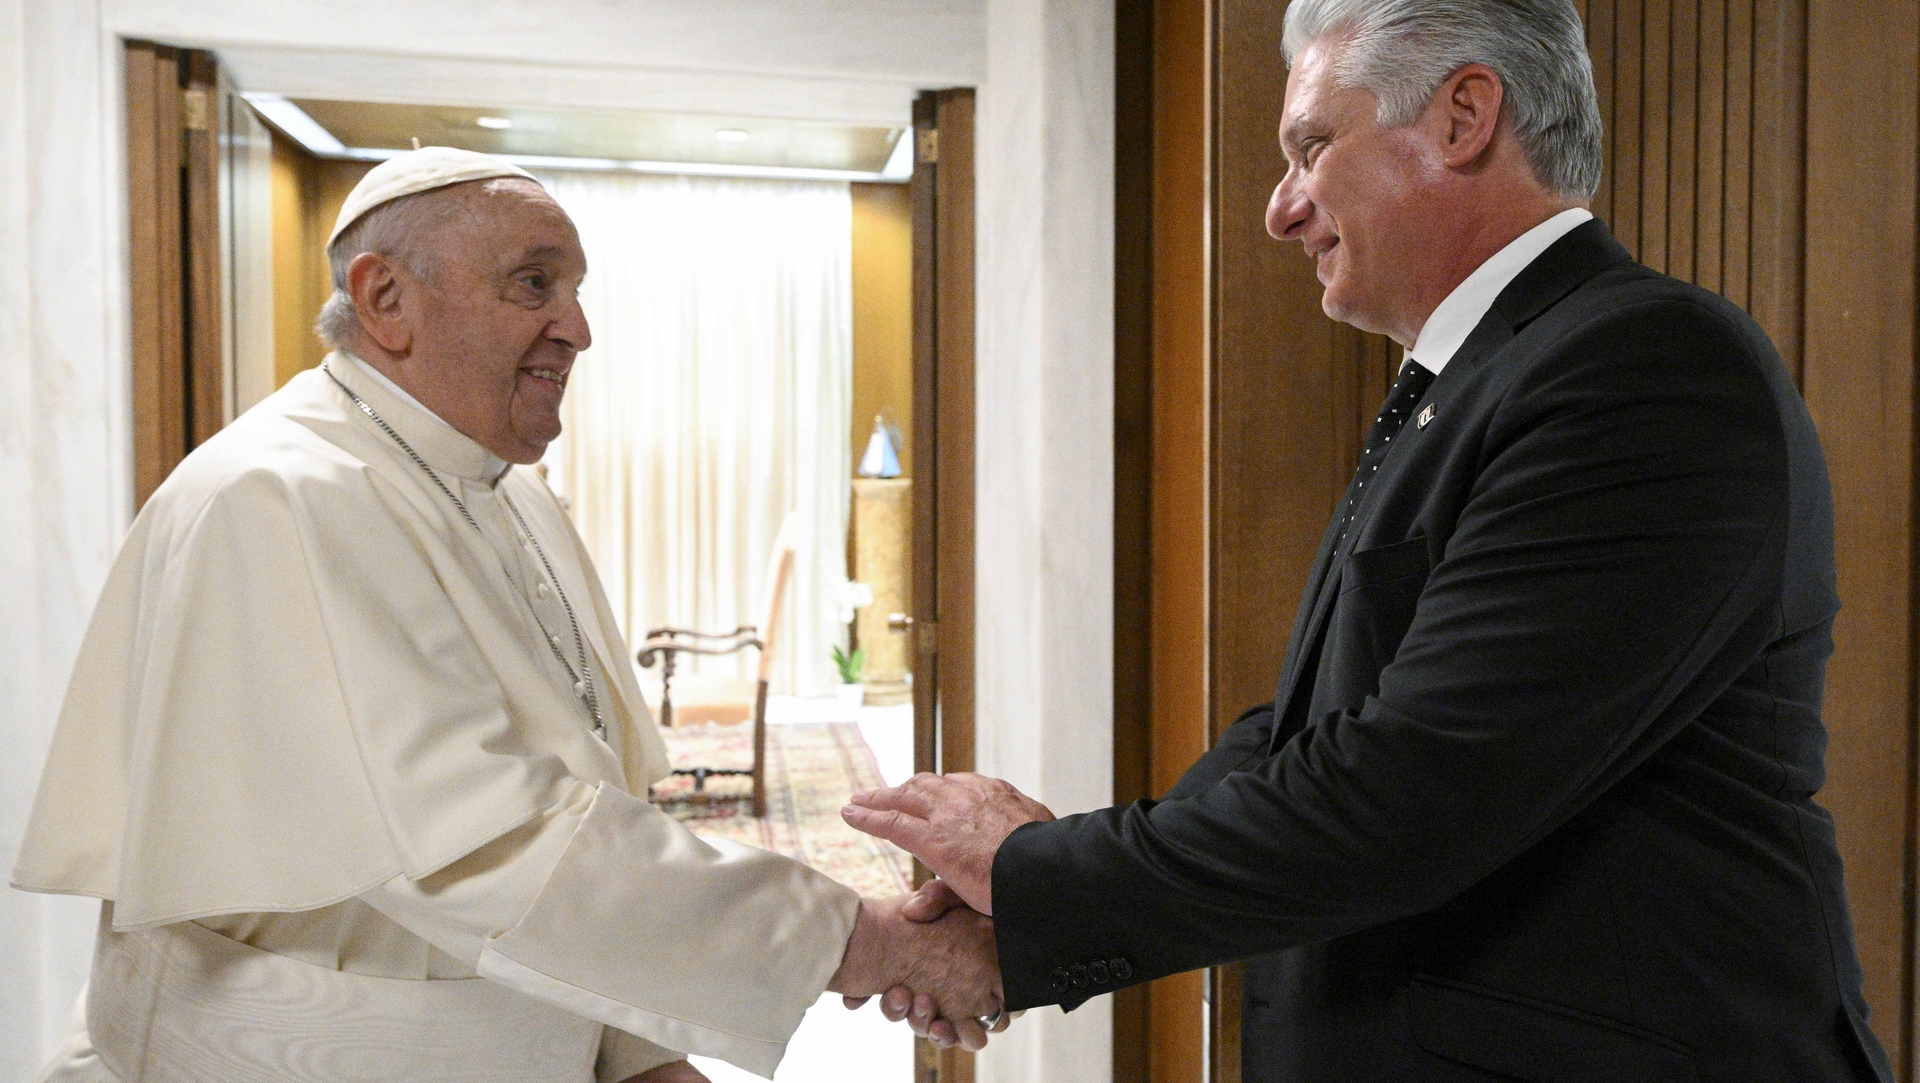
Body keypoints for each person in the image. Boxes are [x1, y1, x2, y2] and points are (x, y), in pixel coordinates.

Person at [845, 1, 1897, 1079]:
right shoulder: (1484, 379)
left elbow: (1418, 785)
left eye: (1311, 148)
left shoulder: (1643, 366)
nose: (1279, 210)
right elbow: (1313, 733)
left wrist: (1037, 875)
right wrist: (1031, 902)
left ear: (1463, 117)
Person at [13, 146, 1001, 1083]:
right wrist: (864, 942)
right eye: (535, 285)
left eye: (575, 290)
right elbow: (476, 843)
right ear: (384, 299)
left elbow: (586, 801)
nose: (577, 327)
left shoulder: (511, 490)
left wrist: (634, 1052)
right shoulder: (277, 497)